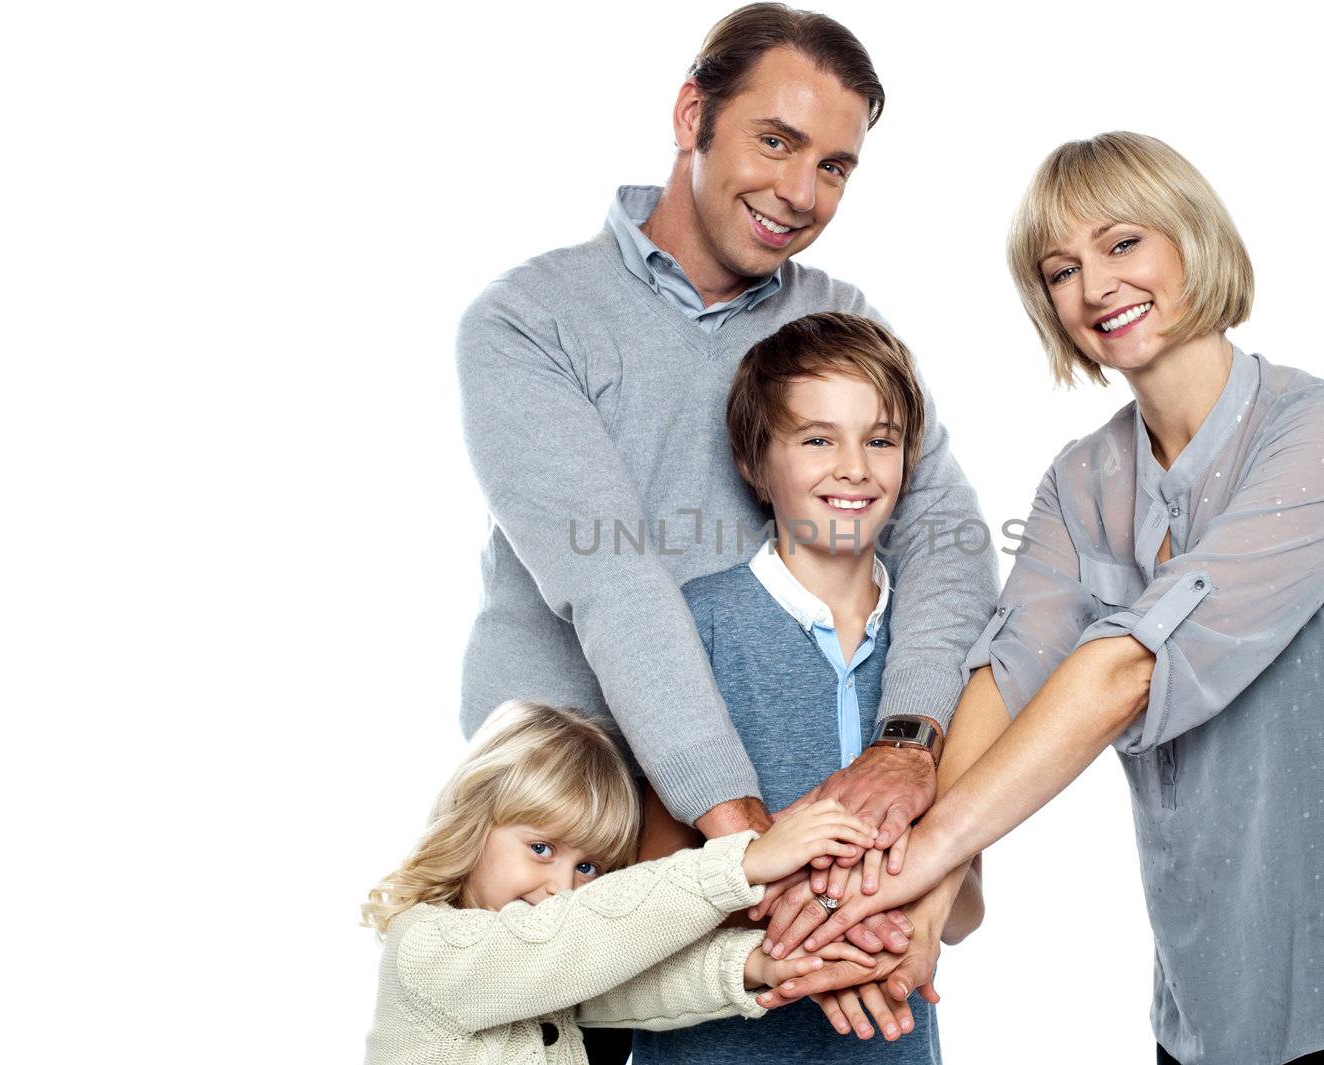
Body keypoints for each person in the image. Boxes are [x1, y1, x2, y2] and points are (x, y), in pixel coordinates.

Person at [782, 133, 1324, 1064]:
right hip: (1208, 994)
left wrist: (923, 857)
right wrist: (922, 902)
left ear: (1191, 238)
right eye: (1061, 269)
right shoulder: (1080, 481)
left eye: (1123, 244)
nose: (1095, 287)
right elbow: (1006, 677)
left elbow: (1127, 666)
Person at [454, 0, 994, 879]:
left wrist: (906, 742)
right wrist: (735, 831)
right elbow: (611, 577)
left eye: (835, 167)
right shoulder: (529, 321)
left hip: (788, 809)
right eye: (775, 142)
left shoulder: (841, 321)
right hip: (559, 817)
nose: (800, 193)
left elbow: (947, 541)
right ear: (690, 116)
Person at [633, 312, 988, 1064]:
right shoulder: (694, 628)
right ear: (753, 463)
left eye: (880, 439)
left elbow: (963, 913)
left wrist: (880, 906)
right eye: (817, 438)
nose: (854, 467)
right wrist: (817, 934)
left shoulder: (938, 662)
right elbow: (645, 893)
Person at [361, 699, 887, 1065]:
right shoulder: (426, 949)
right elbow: (566, 939)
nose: (562, 887)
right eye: (541, 848)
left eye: (588, 868)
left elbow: (636, 984)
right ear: (471, 823)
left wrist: (759, 964)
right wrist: (741, 864)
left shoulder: (559, 975)